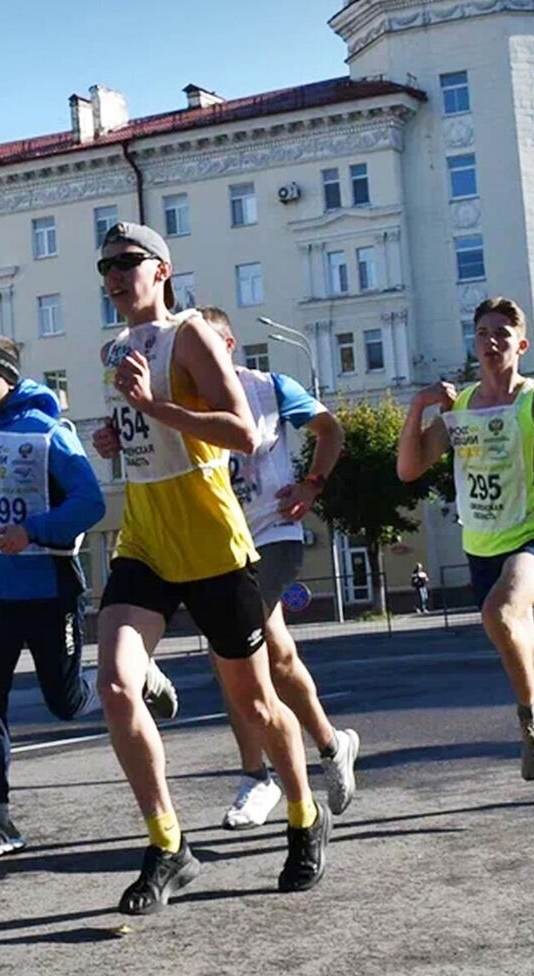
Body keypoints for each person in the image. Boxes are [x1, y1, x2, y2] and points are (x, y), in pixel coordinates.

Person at [90, 222, 328, 915]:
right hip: (145, 542)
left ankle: (305, 816)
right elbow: (148, 439)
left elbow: (241, 431)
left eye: (127, 262)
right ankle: (168, 844)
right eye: (104, 266)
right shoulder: (117, 349)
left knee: (256, 706)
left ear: (161, 270)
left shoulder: (188, 336)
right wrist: (117, 434)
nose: (113, 275)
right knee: (112, 685)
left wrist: (151, 407)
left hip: (214, 545)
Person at [0, 335, 174, 862]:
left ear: (7, 378)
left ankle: (138, 676)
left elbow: (90, 503)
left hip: (49, 590)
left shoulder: (49, 434)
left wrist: (36, 530)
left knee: (65, 702)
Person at [396, 297, 534, 806]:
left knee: (502, 609)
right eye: (482, 333)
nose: (490, 342)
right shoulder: (459, 407)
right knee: (522, 651)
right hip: (482, 543)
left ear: (520, 345)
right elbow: (409, 469)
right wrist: (418, 408)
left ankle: (530, 726)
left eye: (501, 335)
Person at [196, 305, 360, 829]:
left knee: (232, 652)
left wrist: (313, 483)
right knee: (280, 657)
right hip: (222, 541)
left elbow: (330, 430)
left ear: (228, 347)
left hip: (274, 532)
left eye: (205, 345)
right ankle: (334, 746)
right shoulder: (184, 395)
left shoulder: (270, 387)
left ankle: (257, 776)